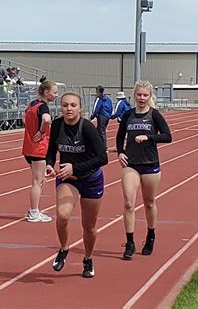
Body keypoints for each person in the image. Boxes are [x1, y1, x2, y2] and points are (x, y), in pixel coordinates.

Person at [47, 92, 108, 278]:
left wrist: (76, 167)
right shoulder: (57, 125)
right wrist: (49, 164)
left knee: (88, 226)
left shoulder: (88, 128)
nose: (69, 109)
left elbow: (102, 158)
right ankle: (64, 248)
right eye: (65, 105)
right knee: (62, 216)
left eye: (73, 105)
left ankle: (88, 258)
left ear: (80, 108)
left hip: (91, 179)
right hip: (68, 179)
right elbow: (50, 151)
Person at [116, 81, 172, 259]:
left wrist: (148, 137)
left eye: (145, 95)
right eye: (139, 95)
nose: (141, 98)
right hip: (131, 164)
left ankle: (150, 235)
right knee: (128, 203)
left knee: (149, 202)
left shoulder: (154, 115)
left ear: (150, 97)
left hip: (150, 164)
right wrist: (120, 152)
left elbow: (167, 136)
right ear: (134, 95)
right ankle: (130, 242)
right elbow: (119, 137)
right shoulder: (128, 115)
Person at [22, 77, 58, 222]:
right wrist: (42, 130)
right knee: (38, 181)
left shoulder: (32, 104)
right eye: (54, 92)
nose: (56, 95)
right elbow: (47, 119)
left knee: (40, 180)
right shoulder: (43, 107)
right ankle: (34, 211)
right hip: (38, 148)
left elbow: (24, 118)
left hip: (28, 147)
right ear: (46, 92)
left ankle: (35, 210)